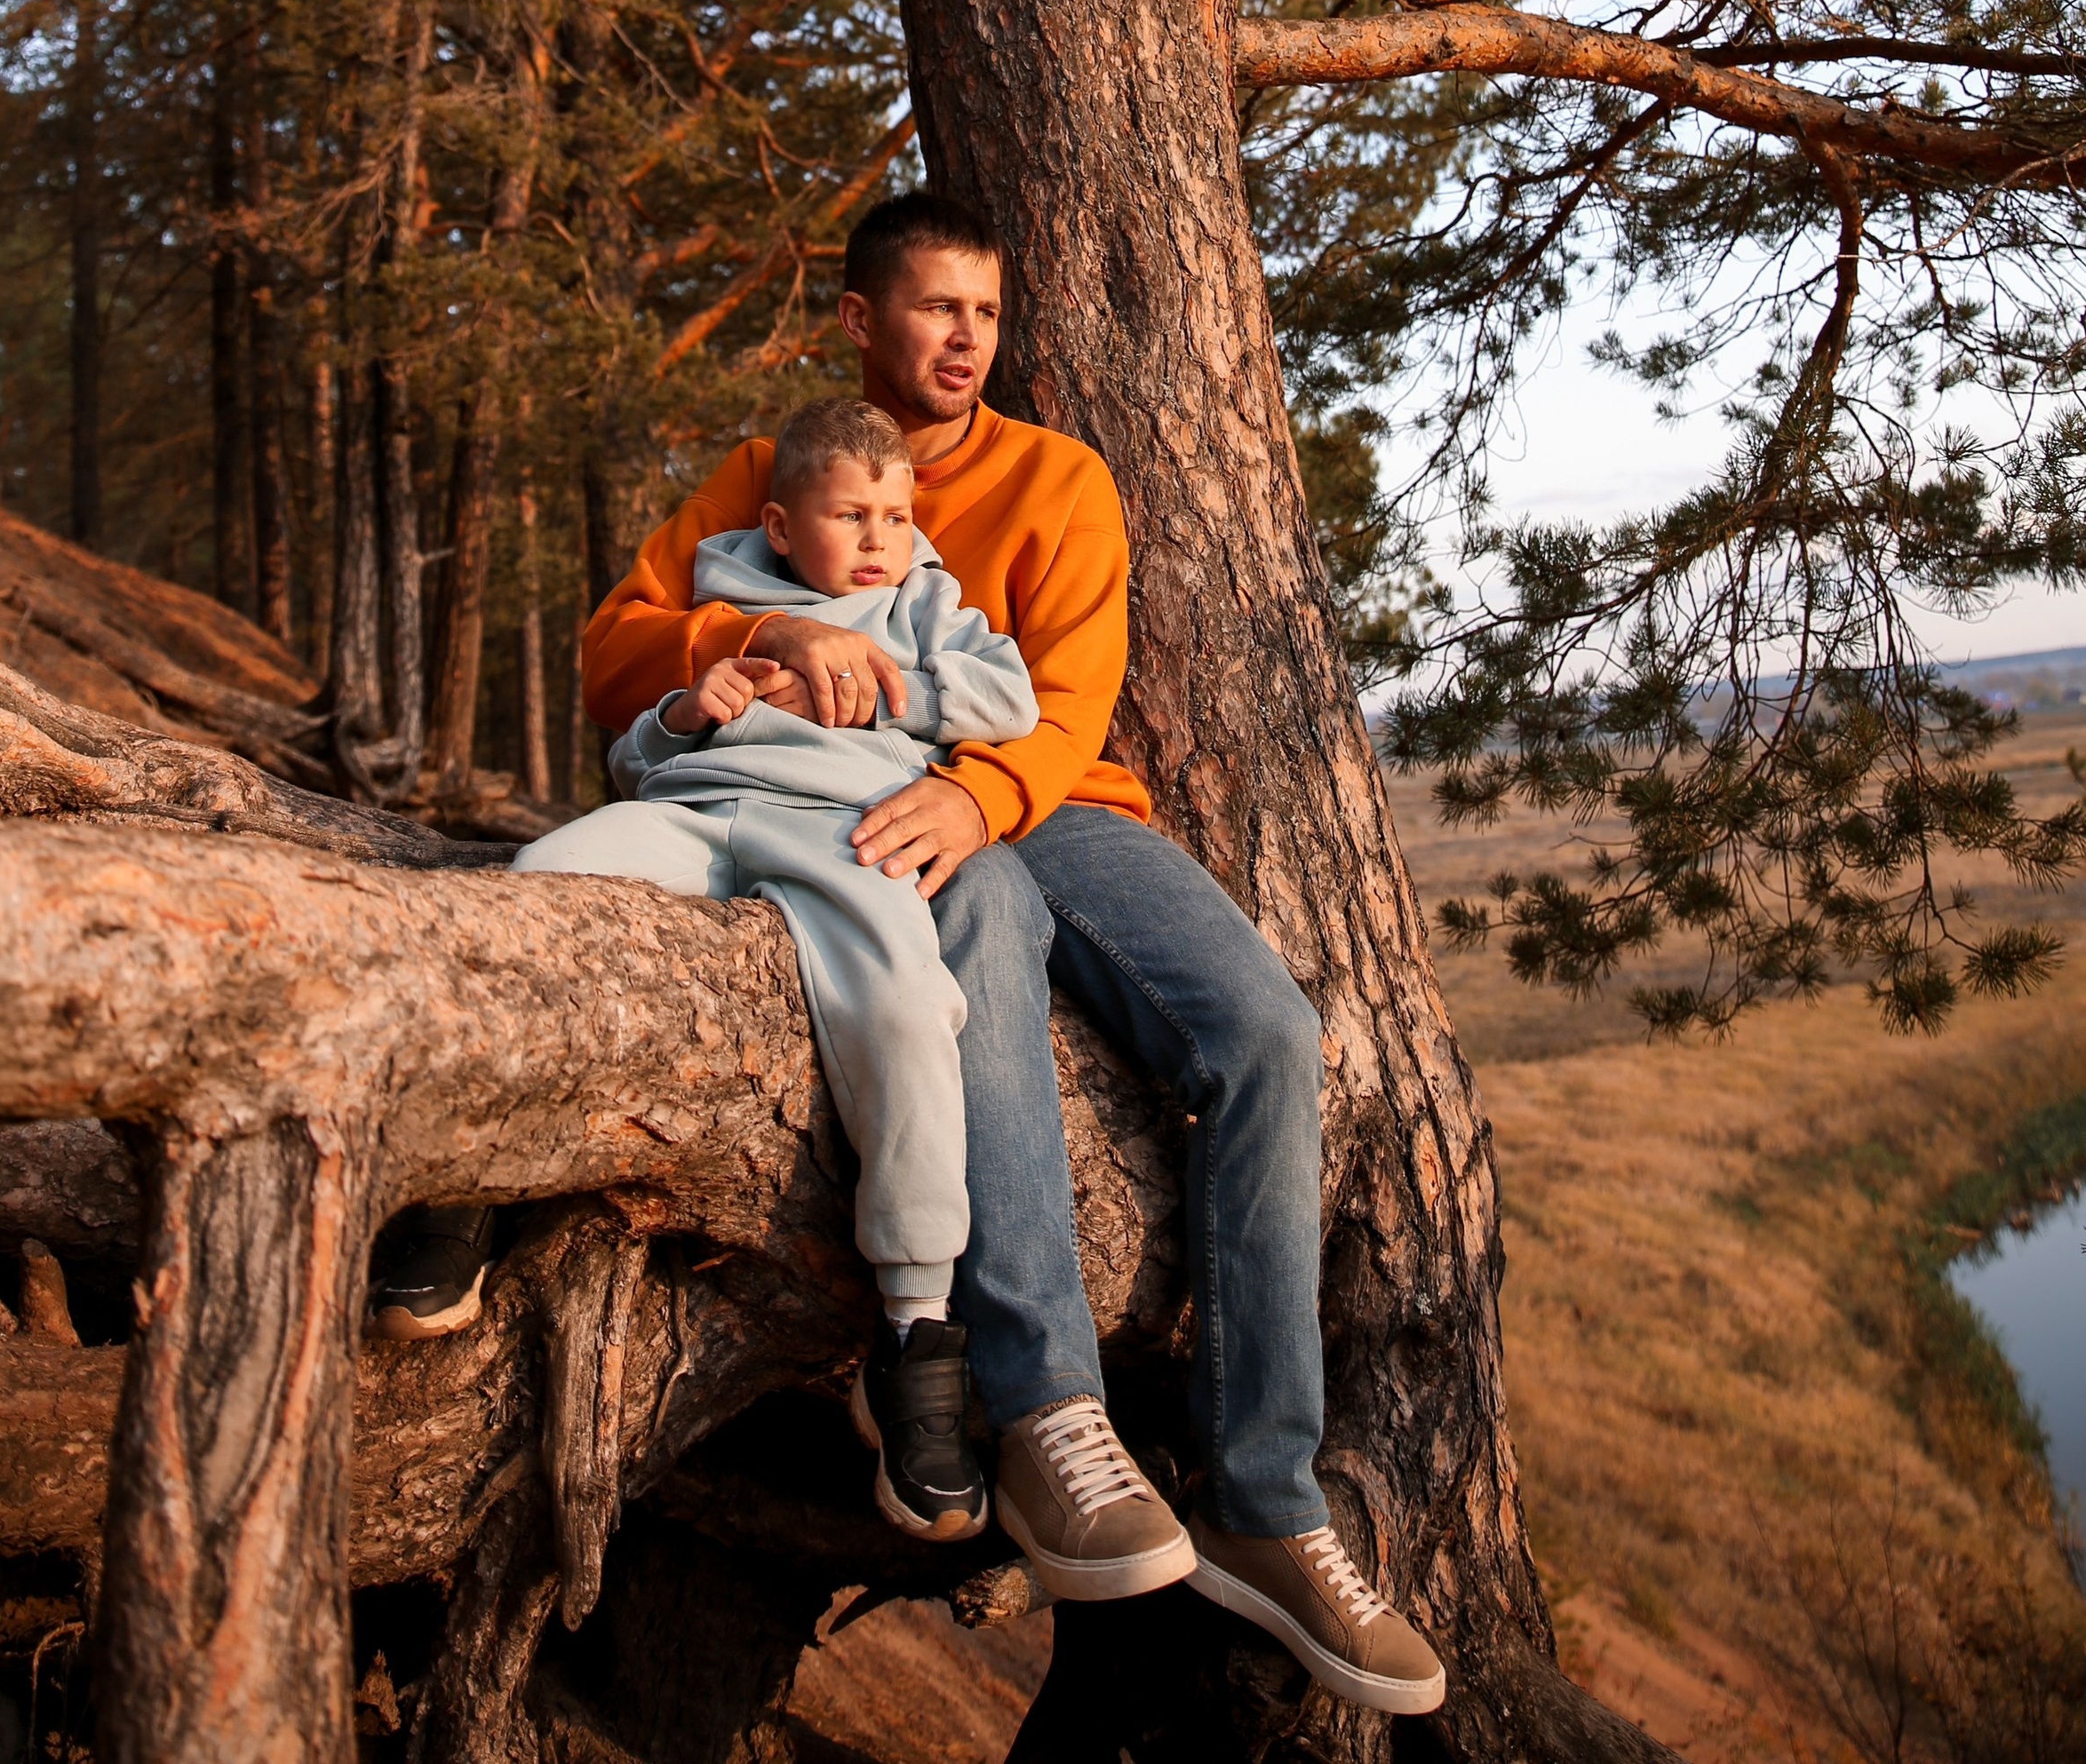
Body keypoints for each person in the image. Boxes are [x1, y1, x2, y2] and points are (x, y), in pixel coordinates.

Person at [567, 190, 1447, 1719]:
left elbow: (1071, 702)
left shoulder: (1060, 479)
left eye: (985, 311)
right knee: (966, 929)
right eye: (933, 308)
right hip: (860, 811)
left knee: (1268, 1039)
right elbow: (613, 650)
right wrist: (759, 651)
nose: (966, 338)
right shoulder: (768, 475)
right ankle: (1046, 1419)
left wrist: (971, 795)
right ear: (862, 320)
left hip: (1051, 802)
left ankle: (1266, 1501)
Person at [508, 397, 1038, 1543]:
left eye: (896, 514)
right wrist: (685, 712)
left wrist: (887, 678)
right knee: (533, 889)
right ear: (784, 527)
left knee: (904, 1010)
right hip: (696, 811)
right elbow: (631, 750)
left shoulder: (925, 597)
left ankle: (913, 1327)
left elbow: (1011, 695)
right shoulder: (718, 588)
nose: (881, 537)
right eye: (853, 515)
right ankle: (463, 1189)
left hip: (847, 833)